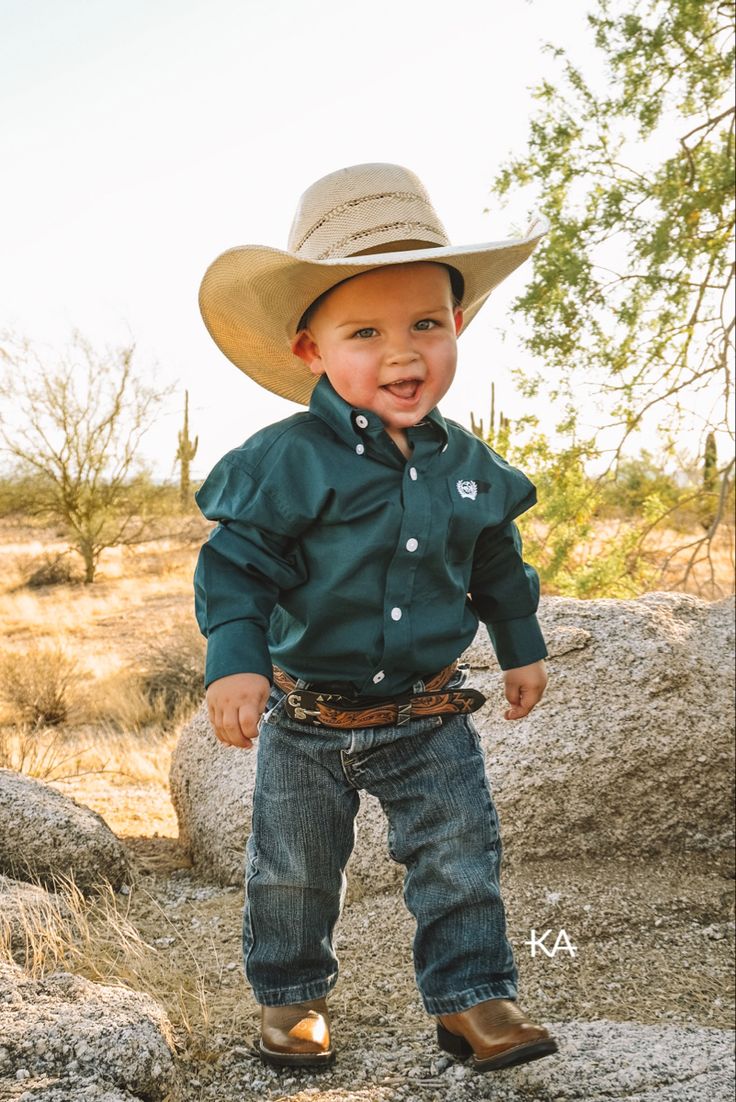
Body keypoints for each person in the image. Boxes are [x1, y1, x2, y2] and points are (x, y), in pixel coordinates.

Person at [194, 163, 559, 1073]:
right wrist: (235, 663)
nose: (403, 354)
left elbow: (494, 564)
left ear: (459, 326)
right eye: (366, 332)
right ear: (310, 348)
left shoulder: (469, 465)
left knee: (458, 861)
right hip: (309, 721)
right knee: (292, 871)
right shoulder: (287, 462)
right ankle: (292, 1002)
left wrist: (521, 647)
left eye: (425, 325)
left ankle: (475, 1002)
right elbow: (236, 566)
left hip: (430, 715)